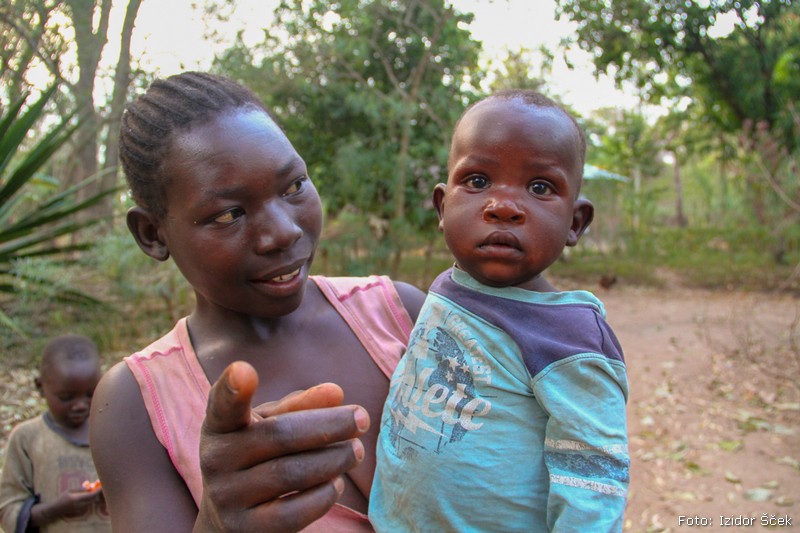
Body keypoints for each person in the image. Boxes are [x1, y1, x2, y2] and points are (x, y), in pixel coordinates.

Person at [88, 71, 426, 532]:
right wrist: (216, 524)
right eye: (229, 214)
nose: (284, 231)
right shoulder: (133, 405)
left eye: (293, 187)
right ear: (152, 234)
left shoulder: (400, 315)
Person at [369, 90, 630, 532]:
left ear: (575, 222)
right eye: (477, 182)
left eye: (540, 187)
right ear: (442, 205)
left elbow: (593, 489)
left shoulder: (569, 340)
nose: (503, 206)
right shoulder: (446, 287)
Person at [0, 334, 109, 532]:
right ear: (41, 387)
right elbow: (8, 510)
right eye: (67, 397)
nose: (80, 405)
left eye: (90, 394)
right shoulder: (28, 438)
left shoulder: (116, 432)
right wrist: (54, 510)